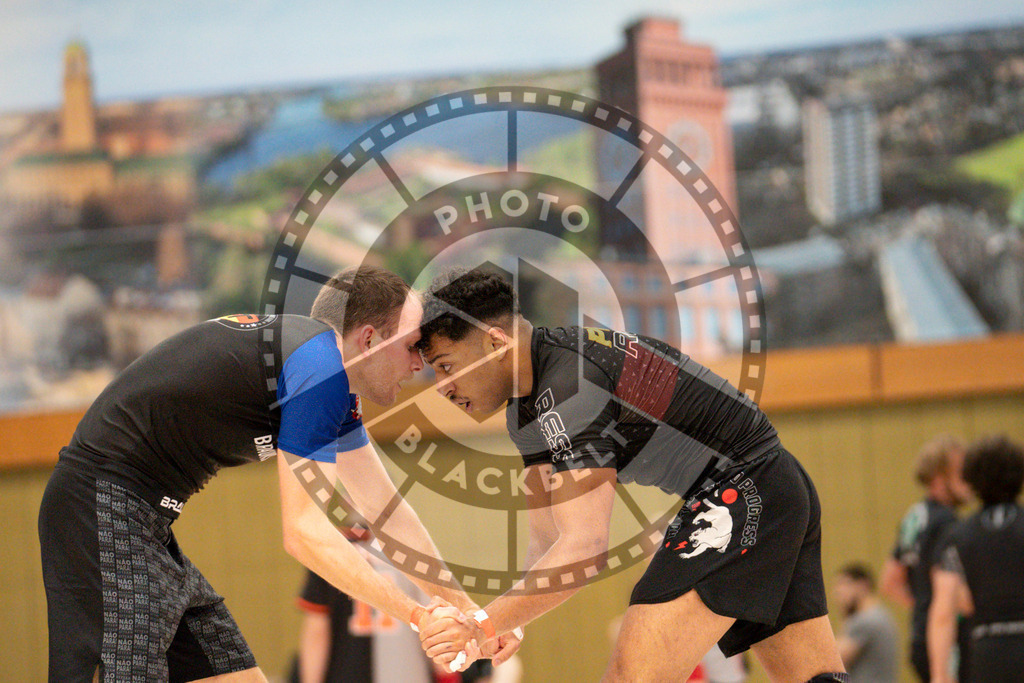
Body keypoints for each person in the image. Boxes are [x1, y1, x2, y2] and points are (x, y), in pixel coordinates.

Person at [38, 265, 494, 682]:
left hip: (140, 521)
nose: (419, 364)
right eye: (412, 346)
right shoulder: (320, 370)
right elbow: (304, 534)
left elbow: (386, 512)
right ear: (370, 339)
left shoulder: (324, 374)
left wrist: (474, 617)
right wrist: (418, 616)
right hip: (100, 506)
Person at [413, 269, 848, 682]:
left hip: (746, 490)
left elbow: (585, 548)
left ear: (495, 342)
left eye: (446, 366)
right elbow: (547, 540)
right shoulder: (526, 407)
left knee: (630, 677)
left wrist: (481, 624)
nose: (441, 386)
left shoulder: (570, 385)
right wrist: (509, 621)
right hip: (772, 487)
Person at [927, 435, 1024, 683]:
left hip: (987, 652)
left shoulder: (957, 535)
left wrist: (939, 675)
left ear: (971, 479)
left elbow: (943, 613)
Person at [289, 526, 432, 683]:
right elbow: (431, 624)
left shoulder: (328, 548)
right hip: (406, 672)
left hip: (347, 672)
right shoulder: (409, 549)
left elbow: (317, 632)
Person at [880, 435, 971, 682]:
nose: (968, 481)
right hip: (948, 643)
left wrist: (924, 607)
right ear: (939, 478)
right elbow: (958, 594)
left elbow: (890, 581)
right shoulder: (947, 522)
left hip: (920, 638)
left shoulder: (915, 515)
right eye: (961, 473)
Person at [833, 563, 899, 683]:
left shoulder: (865, 621)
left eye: (845, 584)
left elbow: (834, 661)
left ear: (863, 585)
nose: (839, 592)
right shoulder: (881, 615)